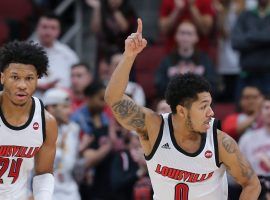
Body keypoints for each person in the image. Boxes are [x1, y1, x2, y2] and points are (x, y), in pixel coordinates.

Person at [105, 18, 261, 199]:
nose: (211, 112)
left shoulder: (220, 142)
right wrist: (129, 56)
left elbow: (251, 184)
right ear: (181, 110)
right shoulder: (154, 128)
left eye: (209, 105)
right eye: (203, 107)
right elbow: (113, 98)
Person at [0, 41, 58, 200]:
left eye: (29, 78)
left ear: (37, 80)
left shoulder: (47, 122)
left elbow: (43, 173)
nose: (22, 85)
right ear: (2, 77)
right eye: (15, 77)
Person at [43, 88, 81, 200]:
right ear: (51, 108)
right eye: (65, 107)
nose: (70, 111)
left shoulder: (73, 129)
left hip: (71, 190)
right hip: (47, 192)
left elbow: (72, 161)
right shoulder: (38, 130)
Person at [35, 13, 79, 95]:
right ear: (37, 28)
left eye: (53, 28)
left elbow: (77, 82)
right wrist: (38, 86)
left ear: (59, 31)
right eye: (44, 27)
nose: (48, 32)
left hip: (62, 103)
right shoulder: (25, 52)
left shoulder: (69, 55)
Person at [239, 95, 270, 199]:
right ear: (260, 112)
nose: (269, 111)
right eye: (266, 108)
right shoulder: (247, 139)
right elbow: (238, 172)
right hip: (256, 190)